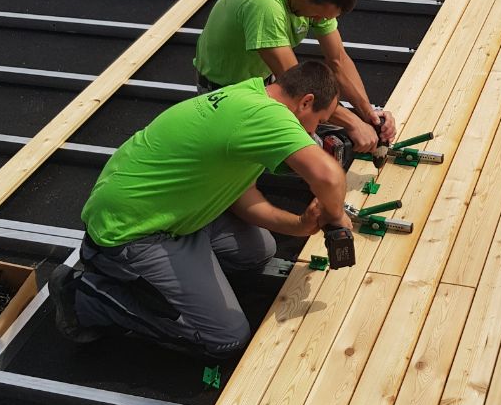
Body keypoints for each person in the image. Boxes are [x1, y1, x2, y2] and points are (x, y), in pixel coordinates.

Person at [49, 61, 351, 360]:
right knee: (226, 338)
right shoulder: (266, 115)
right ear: (305, 102)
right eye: (318, 120)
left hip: (174, 211)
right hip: (133, 230)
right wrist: (337, 218)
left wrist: (299, 224)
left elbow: (241, 195)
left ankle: (180, 277)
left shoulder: (250, 96)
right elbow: (329, 177)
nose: (314, 131)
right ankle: (85, 297)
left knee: (258, 251)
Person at [193, 0, 396, 153]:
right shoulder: (263, 4)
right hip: (224, 93)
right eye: (318, 15)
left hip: (263, 82)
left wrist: (369, 115)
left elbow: (338, 60)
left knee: (322, 136)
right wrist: (353, 123)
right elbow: (297, 86)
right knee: (313, 154)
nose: (318, 20)